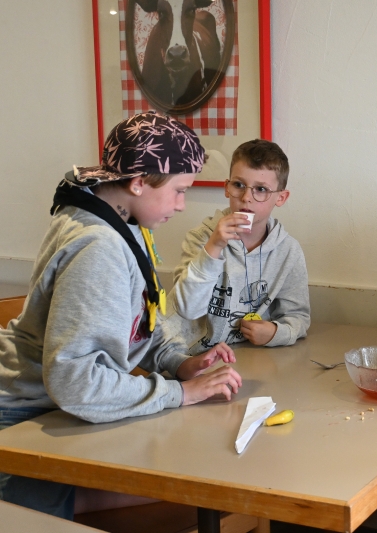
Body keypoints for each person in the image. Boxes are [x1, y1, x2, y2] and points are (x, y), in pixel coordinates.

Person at [0, 112, 243, 519]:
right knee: (194, 479)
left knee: (193, 474)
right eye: (179, 191)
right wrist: (180, 394)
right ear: (138, 182)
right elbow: (75, 382)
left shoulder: (119, 218)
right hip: (26, 418)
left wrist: (177, 363)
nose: (182, 205)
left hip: (54, 406)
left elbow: (138, 318)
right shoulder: (98, 247)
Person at [167, 139, 310, 353]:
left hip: (250, 356)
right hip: (193, 357)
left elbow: (298, 316)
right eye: (239, 185)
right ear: (227, 187)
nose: (246, 198)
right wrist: (213, 247)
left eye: (261, 189)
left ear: (281, 197)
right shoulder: (201, 238)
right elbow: (186, 308)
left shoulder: (288, 251)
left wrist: (275, 332)